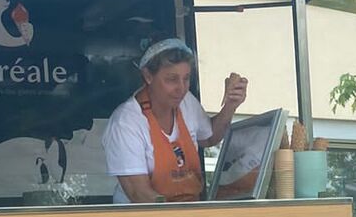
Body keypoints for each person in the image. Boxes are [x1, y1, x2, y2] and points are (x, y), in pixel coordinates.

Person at [101, 37, 248, 203]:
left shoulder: (186, 102)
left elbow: (209, 137)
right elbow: (140, 195)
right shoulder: (125, 123)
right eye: (171, 79)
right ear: (148, 76)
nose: (181, 89)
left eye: (186, 79)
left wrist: (230, 106)